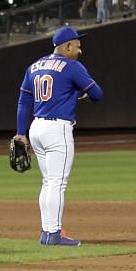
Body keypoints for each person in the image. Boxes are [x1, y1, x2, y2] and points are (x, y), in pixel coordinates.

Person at [15, 25, 104, 246]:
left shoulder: (34, 66)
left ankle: (46, 231)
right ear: (67, 46)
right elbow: (97, 94)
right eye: (77, 46)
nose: (79, 50)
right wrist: (79, 91)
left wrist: (20, 133)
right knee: (57, 183)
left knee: (48, 182)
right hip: (57, 129)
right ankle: (54, 234)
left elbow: (23, 102)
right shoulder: (72, 66)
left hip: (36, 127)